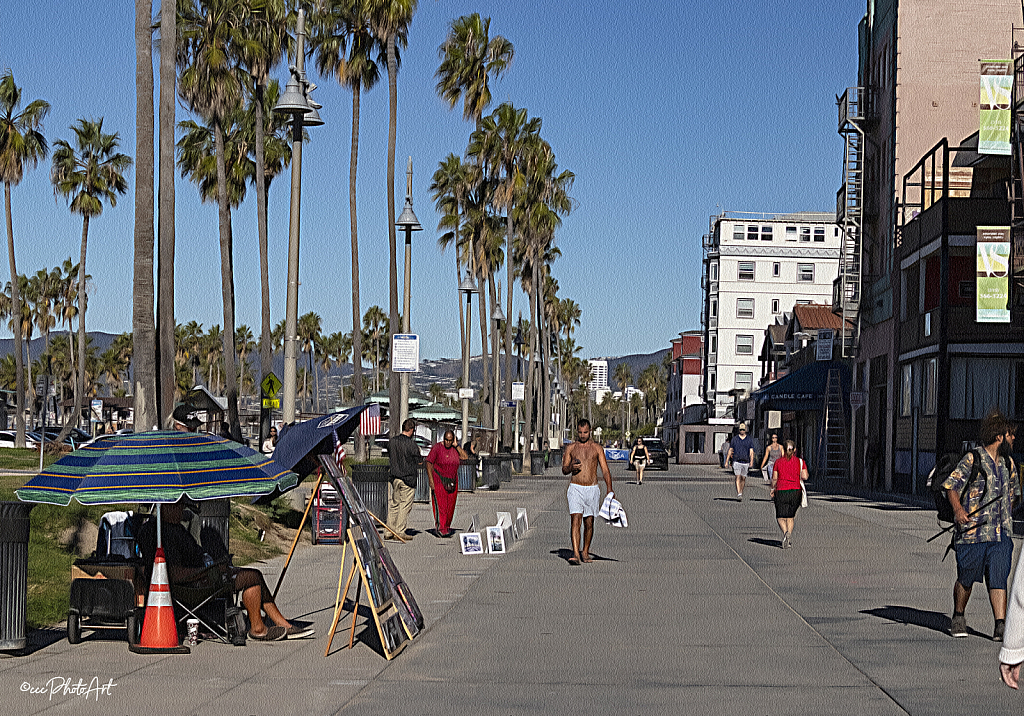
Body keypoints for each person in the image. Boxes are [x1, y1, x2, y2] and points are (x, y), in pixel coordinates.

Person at [138, 499, 313, 642]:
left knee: (252, 576)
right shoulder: (164, 534)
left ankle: (274, 625)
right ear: (165, 507)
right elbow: (175, 574)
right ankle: (261, 628)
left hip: (202, 576)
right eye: (178, 505)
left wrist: (216, 565)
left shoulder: (176, 528)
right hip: (194, 585)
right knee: (252, 576)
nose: (182, 509)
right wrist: (208, 571)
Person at [943, 410, 1019, 640]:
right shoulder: (972, 459)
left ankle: (1000, 625)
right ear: (999, 437)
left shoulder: (1008, 463)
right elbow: (951, 486)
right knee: (966, 577)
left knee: (999, 578)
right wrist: (958, 510)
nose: (1013, 438)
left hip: (1000, 534)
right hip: (973, 533)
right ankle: (958, 616)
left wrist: (1007, 514)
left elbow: (1014, 494)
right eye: (1010, 435)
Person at [561, 419, 615, 565]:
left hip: (592, 488)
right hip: (575, 488)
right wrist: (571, 467)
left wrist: (609, 489)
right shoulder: (571, 448)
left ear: (590, 431)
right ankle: (576, 554)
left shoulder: (596, 448)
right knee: (575, 519)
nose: (583, 435)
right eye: (580, 432)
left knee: (589, 522)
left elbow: (604, 470)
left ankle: (585, 551)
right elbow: (564, 469)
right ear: (577, 431)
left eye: (585, 432)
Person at [385, 419, 423, 541]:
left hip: (395, 477)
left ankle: (388, 530)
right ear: (411, 430)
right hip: (408, 478)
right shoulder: (412, 445)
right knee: (404, 505)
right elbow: (419, 460)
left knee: (394, 504)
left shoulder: (392, 442)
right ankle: (399, 531)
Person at [425, 430, 467, 538]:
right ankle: (441, 528)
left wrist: (456, 446)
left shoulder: (454, 449)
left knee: (450, 507)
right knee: (441, 505)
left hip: (452, 481)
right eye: (446, 440)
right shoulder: (437, 448)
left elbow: (465, 457)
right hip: (439, 480)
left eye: (450, 440)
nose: (448, 442)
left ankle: (447, 526)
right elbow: (429, 463)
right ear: (443, 439)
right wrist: (431, 480)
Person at [769, 440, 806, 549]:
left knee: (780, 516)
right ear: (795, 450)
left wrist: (772, 488)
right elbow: (805, 476)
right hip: (795, 491)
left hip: (781, 491)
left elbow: (775, 478)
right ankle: (788, 538)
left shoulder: (778, 462)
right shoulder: (800, 461)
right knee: (790, 517)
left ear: (783, 450)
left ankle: (786, 533)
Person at [726, 423, 755, 500]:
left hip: (746, 461)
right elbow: (730, 450)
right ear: (739, 430)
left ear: (745, 430)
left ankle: (741, 491)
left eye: (743, 429)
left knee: (743, 478)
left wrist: (752, 461)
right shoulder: (735, 439)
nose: (742, 431)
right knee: (737, 477)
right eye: (741, 430)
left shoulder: (749, 440)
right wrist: (727, 461)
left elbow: (751, 451)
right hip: (736, 461)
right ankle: (739, 493)